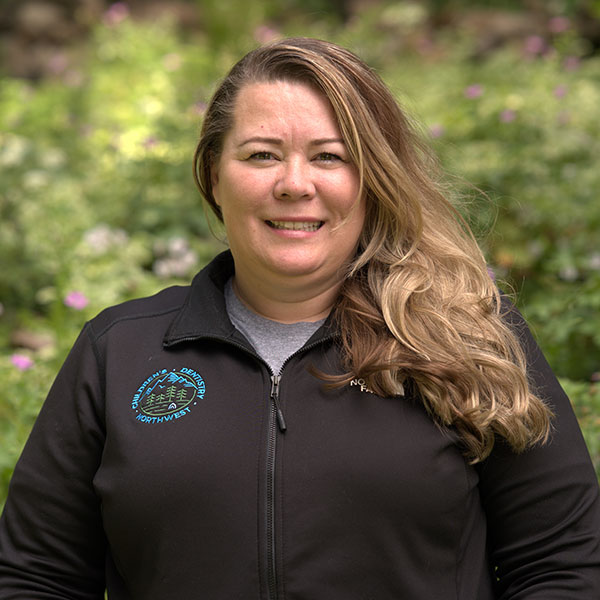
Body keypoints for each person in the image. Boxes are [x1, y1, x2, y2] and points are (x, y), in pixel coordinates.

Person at [0, 37, 599, 600]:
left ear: (374, 179)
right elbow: (36, 578)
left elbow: (564, 566)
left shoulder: (468, 340)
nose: (294, 184)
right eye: (261, 155)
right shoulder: (119, 351)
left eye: (329, 157)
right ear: (213, 174)